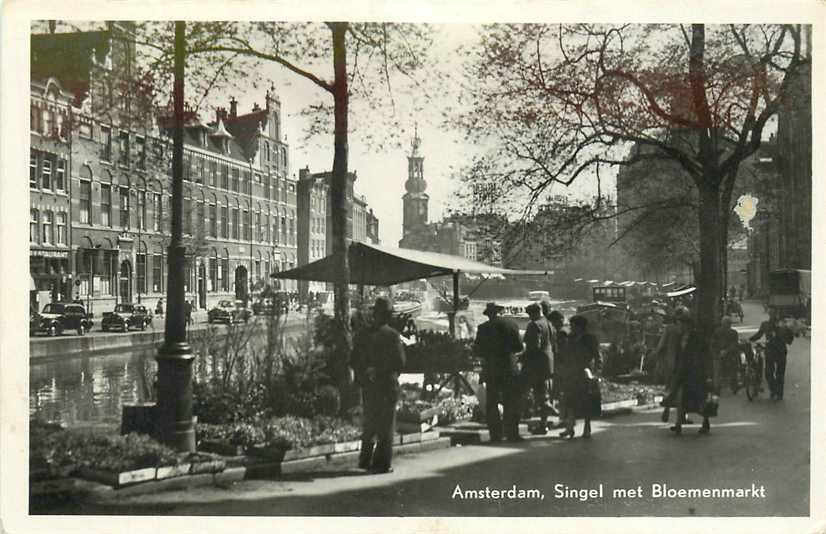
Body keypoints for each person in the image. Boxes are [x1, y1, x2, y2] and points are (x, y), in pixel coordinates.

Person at [352, 297, 405, 474]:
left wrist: (367, 371)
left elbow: (353, 360)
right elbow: (400, 362)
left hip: (369, 386)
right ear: (388, 316)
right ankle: (382, 463)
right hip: (387, 385)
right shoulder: (392, 335)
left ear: (374, 314)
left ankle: (364, 460)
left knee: (370, 423)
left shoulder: (362, 335)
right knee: (386, 426)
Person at [474, 302, 523, 442]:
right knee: (511, 401)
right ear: (500, 312)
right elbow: (519, 347)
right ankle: (512, 433)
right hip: (509, 367)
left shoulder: (483, 328)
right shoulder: (511, 325)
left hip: (492, 368)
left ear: (488, 314)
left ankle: (495, 435)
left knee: (492, 402)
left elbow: (477, 350)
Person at [662, 311, 713, 434]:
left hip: (696, 372)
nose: (679, 327)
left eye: (681, 324)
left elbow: (705, 354)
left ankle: (706, 422)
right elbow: (680, 355)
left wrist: (707, 372)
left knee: (701, 398)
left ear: (688, 325)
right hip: (683, 371)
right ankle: (678, 424)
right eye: (679, 324)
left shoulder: (697, 337)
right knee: (680, 396)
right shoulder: (680, 338)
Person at [558, 315, 601, 439]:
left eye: (573, 325)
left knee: (586, 401)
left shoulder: (590, 339)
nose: (571, 328)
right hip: (571, 373)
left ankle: (587, 428)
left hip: (585, 372)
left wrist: (597, 373)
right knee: (570, 400)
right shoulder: (570, 338)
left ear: (580, 326)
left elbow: (598, 356)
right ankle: (570, 428)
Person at [520, 303, 554, 435]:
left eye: (530, 314)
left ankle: (526, 415)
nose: (530, 317)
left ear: (533, 313)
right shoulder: (548, 323)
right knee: (542, 392)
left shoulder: (534, 325)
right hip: (547, 363)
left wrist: (522, 358)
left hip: (535, 364)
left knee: (525, 390)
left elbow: (533, 347)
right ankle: (543, 423)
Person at [653, 307, 692, 424]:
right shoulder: (688, 330)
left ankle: (667, 409)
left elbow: (661, 346)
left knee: (670, 387)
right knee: (684, 388)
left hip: (671, 364)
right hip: (685, 364)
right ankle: (683, 415)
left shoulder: (669, 329)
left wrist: (657, 357)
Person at [750, 308, 794, 400]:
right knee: (778, 374)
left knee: (770, 373)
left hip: (771, 351)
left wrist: (750, 339)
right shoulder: (782, 325)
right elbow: (790, 340)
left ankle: (775, 391)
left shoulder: (766, 324)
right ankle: (778, 392)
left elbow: (758, 335)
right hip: (779, 352)